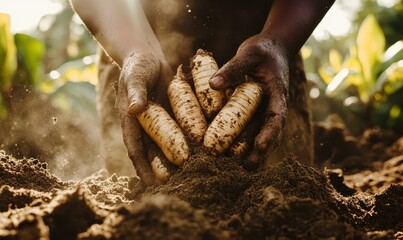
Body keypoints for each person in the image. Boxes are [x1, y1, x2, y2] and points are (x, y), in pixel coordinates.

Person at [69, 0, 335, 186]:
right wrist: (132, 48)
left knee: (284, 205)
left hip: (271, 54)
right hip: (133, 38)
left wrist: (280, 40)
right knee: (145, 210)